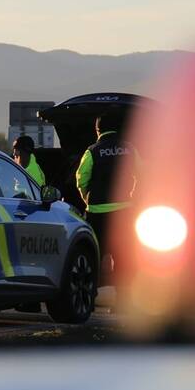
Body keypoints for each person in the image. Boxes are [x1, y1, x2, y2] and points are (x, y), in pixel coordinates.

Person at [76, 113, 138, 278]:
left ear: (98, 130)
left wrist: (87, 198)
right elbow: (141, 175)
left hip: (97, 212)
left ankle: (91, 292)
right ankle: (122, 298)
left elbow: (81, 179)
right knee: (124, 258)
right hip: (125, 212)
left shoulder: (92, 151)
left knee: (94, 254)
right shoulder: (129, 149)